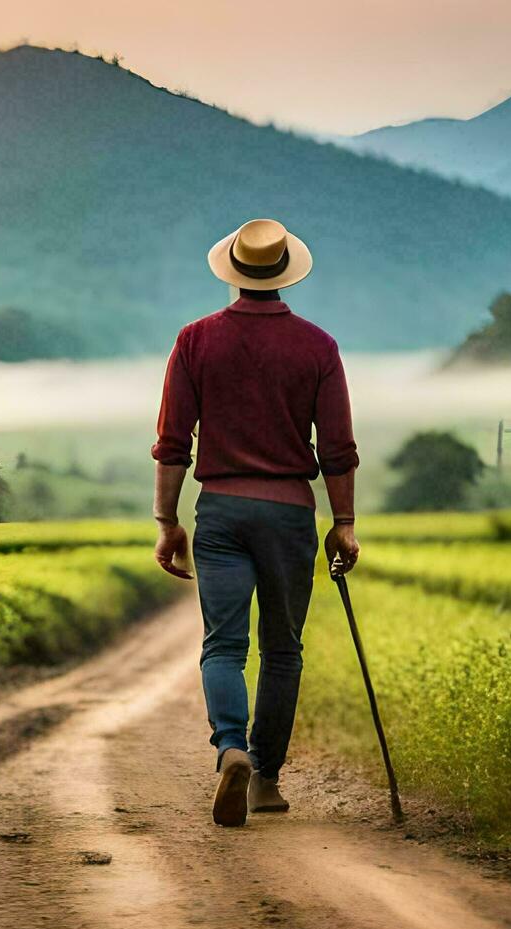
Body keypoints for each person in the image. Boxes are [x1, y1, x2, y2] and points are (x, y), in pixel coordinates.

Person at [150, 218, 361, 827]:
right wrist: (343, 521)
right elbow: (338, 448)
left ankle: (230, 749)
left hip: (219, 510)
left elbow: (171, 443)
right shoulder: (318, 347)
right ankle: (266, 779)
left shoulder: (194, 341)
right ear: (285, 271)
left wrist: (168, 520)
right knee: (282, 649)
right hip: (290, 512)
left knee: (223, 645)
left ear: (235, 271)